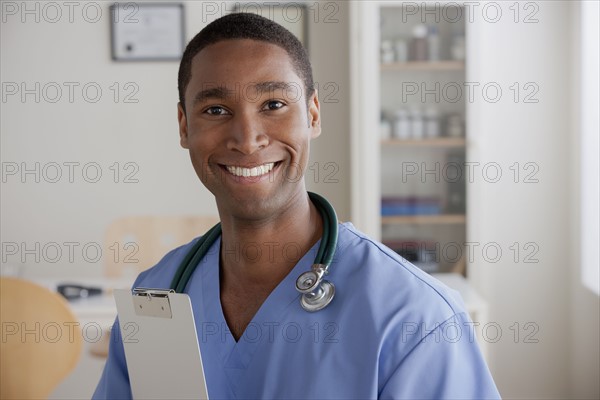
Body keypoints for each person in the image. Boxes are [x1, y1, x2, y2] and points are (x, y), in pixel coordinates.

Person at [93, 12, 500, 399]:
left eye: (273, 105)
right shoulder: (156, 295)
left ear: (313, 113)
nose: (247, 138)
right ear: (185, 126)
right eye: (216, 110)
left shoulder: (416, 317)